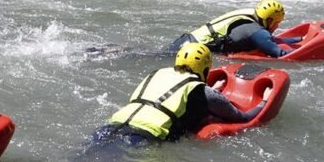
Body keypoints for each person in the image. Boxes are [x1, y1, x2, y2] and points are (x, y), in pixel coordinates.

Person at [92, 42, 268, 146]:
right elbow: (242, 117)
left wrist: (210, 90)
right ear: (205, 68)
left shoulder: (156, 74)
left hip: (112, 126)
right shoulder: (202, 91)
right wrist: (264, 101)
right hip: (143, 138)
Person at [169, 0, 299, 58]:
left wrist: (298, 39)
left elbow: (270, 40)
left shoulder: (249, 14)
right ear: (269, 20)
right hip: (192, 50)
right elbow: (279, 54)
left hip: (185, 40)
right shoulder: (257, 32)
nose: (277, 26)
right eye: (277, 23)